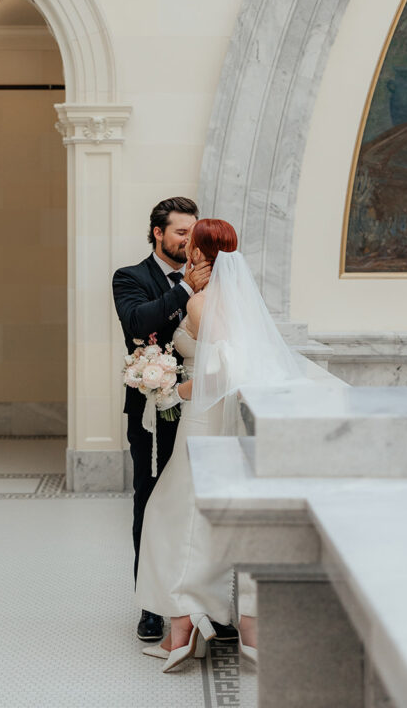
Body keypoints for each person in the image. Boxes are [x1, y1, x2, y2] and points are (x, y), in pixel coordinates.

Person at [136, 218, 344, 673]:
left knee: (172, 516)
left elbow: (224, 370)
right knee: (196, 517)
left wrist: (172, 387)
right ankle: (207, 622)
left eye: (190, 242)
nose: (185, 247)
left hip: (204, 421)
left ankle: (185, 624)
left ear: (199, 252)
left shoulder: (202, 302)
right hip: (226, 422)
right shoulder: (238, 299)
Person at [113, 197, 207, 643]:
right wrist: (185, 290)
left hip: (202, 411)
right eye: (181, 233)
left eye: (194, 232)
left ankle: (204, 603)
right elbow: (138, 323)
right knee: (150, 501)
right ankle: (151, 605)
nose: (189, 241)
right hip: (153, 413)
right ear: (158, 233)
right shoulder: (130, 278)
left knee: (194, 506)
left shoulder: (212, 279)